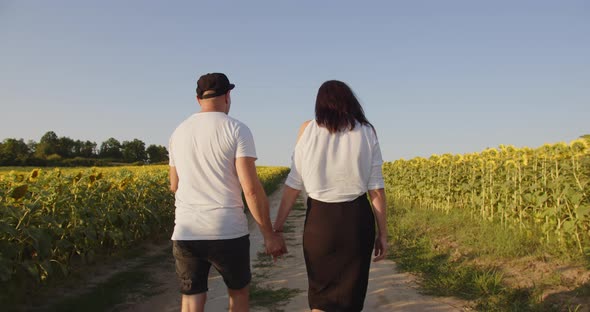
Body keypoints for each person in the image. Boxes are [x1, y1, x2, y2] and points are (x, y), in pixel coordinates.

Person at [168, 72, 286, 312]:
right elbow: (250, 189)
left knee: (191, 301)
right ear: (228, 96)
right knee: (238, 294)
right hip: (227, 231)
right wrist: (268, 234)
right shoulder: (237, 129)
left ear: (198, 99)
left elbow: (174, 185)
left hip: (187, 231)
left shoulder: (178, 132)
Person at [273, 80, 388, 312]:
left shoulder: (307, 129)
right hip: (356, 219)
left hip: (319, 220)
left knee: (320, 295)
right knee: (351, 297)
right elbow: (376, 188)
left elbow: (293, 185)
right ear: (350, 102)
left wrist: (277, 229)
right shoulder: (367, 131)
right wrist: (383, 234)